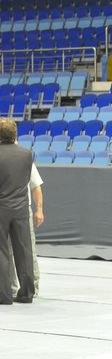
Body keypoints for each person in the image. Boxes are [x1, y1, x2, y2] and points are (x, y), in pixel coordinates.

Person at [0, 118, 35, 304]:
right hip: (21, 207)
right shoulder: (26, 154)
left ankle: (4, 295)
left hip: (1, 207)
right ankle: (27, 293)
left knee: (2, 251)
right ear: (15, 134)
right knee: (24, 250)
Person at [10, 163, 44, 297]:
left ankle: (32, 286)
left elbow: (36, 186)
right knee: (6, 251)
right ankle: (10, 287)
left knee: (28, 249)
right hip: (4, 209)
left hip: (23, 209)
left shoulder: (25, 159)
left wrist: (39, 209)